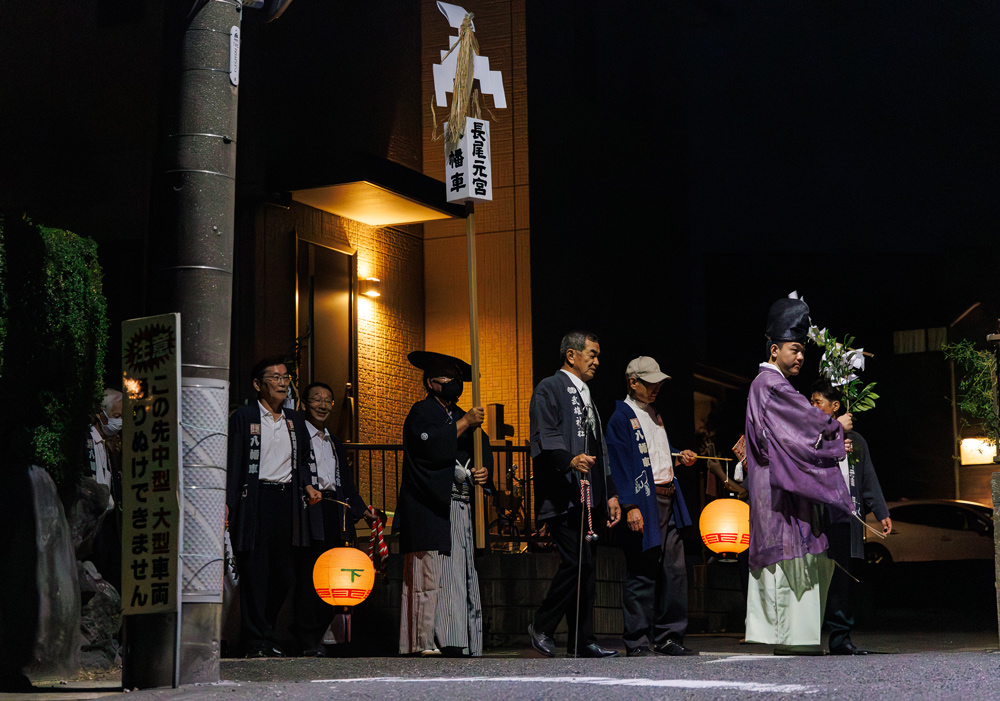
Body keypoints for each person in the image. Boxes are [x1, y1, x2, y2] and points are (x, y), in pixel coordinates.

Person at [744, 296, 855, 654]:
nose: (801, 356)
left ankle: (796, 640)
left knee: (802, 560)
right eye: (794, 349)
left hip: (779, 487)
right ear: (774, 350)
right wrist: (834, 426)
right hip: (779, 492)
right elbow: (802, 430)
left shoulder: (768, 385)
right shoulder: (772, 386)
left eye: (803, 350)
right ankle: (792, 640)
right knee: (792, 556)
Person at [527, 331, 622, 658]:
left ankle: (583, 640)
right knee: (575, 562)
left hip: (588, 495)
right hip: (563, 492)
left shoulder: (586, 395)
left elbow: (599, 448)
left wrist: (609, 493)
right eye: (591, 354)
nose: (596, 361)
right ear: (571, 355)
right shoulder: (550, 388)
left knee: (587, 566)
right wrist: (568, 459)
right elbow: (544, 434)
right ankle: (542, 624)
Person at [397, 351, 494, 657]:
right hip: (430, 506)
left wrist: (483, 474)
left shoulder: (464, 419)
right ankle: (425, 640)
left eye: (457, 379)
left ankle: (457, 639)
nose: (454, 384)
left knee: (458, 576)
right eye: (448, 379)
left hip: (460, 509)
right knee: (430, 576)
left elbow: (481, 454)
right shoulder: (421, 413)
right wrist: (464, 422)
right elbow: (430, 447)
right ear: (431, 383)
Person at [225, 357, 322, 658]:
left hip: (287, 502)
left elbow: (304, 462)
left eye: (285, 377)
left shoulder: (295, 420)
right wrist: (226, 504)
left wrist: (307, 485)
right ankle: (255, 639)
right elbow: (232, 464)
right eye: (275, 377)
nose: (282, 382)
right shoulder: (244, 417)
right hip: (254, 500)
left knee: (284, 575)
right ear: (258, 384)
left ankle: (263, 632)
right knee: (254, 571)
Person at [606, 356, 698, 657]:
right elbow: (618, 463)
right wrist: (630, 504)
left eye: (658, 383)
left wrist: (677, 454)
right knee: (642, 570)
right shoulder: (621, 418)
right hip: (646, 500)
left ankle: (669, 636)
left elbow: (654, 452)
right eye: (650, 383)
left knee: (675, 570)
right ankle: (637, 640)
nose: (656, 388)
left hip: (668, 496)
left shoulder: (653, 413)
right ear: (633, 382)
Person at [294, 381, 376, 657]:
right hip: (309, 511)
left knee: (334, 577)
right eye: (316, 398)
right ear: (304, 404)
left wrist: (363, 510)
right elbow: (297, 470)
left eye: (328, 400)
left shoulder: (335, 442)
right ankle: (306, 639)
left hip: (334, 510)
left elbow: (347, 484)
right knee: (309, 576)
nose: (323, 404)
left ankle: (318, 636)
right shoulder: (297, 436)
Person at [810, 379, 892, 655]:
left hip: (846, 516)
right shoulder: (811, 435)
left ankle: (840, 637)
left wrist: (881, 511)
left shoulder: (855, 441)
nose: (812, 407)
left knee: (842, 579)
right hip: (817, 516)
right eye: (811, 402)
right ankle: (805, 636)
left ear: (835, 407)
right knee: (815, 576)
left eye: (817, 402)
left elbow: (867, 477)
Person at [89, 388, 123, 592]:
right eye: (116, 416)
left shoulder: (107, 447)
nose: (120, 422)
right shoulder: (87, 441)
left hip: (109, 522)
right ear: (99, 413)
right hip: (92, 522)